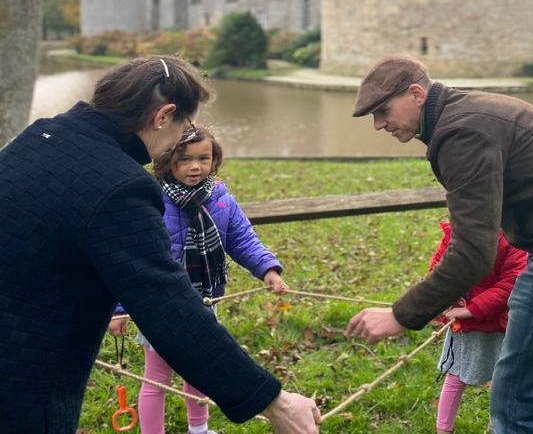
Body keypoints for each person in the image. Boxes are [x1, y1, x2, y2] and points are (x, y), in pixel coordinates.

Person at [0, 56, 319, 433]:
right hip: (23, 379)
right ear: (163, 116)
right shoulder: (121, 187)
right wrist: (275, 403)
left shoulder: (36, 137)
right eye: (186, 126)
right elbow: (167, 307)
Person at [346, 55, 533, 433]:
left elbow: (474, 251)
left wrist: (401, 315)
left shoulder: (460, 133)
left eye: (383, 111)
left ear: (416, 94)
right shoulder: (463, 113)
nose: (378, 124)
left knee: (517, 396)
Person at [109, 125, 290, 434]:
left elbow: (242, 239)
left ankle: (199, 429)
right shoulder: (151, 200)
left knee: (199, 371)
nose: (195, 166)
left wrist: (268, 269)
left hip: (203, 300)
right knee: (157, 378)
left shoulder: (220, 199)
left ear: (214, 159)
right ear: (166, 161)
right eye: (184, 159)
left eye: (203, 158)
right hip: (160, 305)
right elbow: (130, 258)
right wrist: (119, 309)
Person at [430, 221, 527, 434]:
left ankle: (498, 427)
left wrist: (473, 309)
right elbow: (439, 267)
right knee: (455, 376)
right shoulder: (455, 233)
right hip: (462, 324)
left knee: (498, 378)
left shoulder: (514, 237)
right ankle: (443, 430)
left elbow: (511, 283)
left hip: (496, 324)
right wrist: (441, 298)